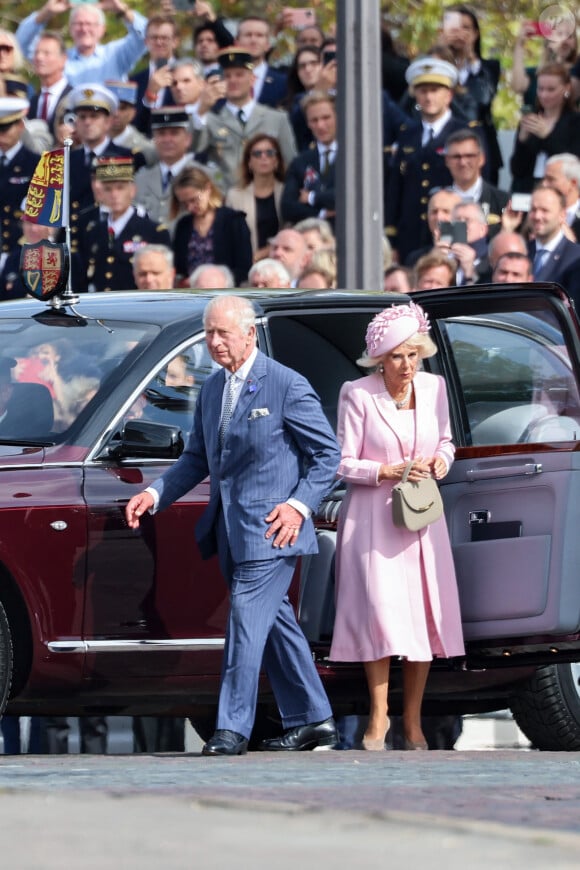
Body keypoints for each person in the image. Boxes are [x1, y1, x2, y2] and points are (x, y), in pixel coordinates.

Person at [125, 295, 341, 755]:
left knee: (244, 622)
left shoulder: (286, 384)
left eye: (224, 332)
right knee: (275, 624)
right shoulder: (211, 390)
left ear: (251, 334)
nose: (215, 342)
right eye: (209, 333)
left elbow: (328, 456)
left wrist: (299, 506)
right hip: (228, 530)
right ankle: (315, 719)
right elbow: (198, 458)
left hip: (271, 531)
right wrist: (156, 493)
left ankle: (231, 729)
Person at [329, 302, 464, 751]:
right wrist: (385, 471)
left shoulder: (435, 387)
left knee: (422, 617)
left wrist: (439, 463)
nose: (407, 365)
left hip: (422, 515)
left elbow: (446, 441)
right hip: (374, 518)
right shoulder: (358, 393)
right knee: (381, 616)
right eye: (396, 356)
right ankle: (379, 715)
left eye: (413, 354)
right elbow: (343, 463)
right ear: (379, 360)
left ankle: (413, 720)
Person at [384, 57, 468, 262]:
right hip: (410, 230)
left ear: (448, 95)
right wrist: (392, 238)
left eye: (435, 90)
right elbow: (396, 187)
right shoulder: (407, 133)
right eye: (423, 91)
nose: (428, 96)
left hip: (450, 224)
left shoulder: (464, 132)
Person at [192, 48, 296, 192]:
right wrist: (201, 110)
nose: (233, 80)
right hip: (226, 199)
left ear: (252, 79)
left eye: (239, 75)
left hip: (269, 199)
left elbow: (290, 162)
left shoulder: (277, 118)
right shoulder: (210, 119)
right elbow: (194, 149)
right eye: (227, 76)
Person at [77, 156, 170, 293]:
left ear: (132, 190)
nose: (114, 195)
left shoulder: (153, 231)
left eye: (120, 188)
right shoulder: (94, 231)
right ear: (101, 193)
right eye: (108, 189)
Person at [16, 0, 148, 86]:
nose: (84, 29)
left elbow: (147, 36)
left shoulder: (116, 54)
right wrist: (46, 13)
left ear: (102, 29)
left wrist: (123, 10)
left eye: (90, 24)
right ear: (70, 28)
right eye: (79, 24)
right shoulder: (59, 59)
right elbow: (21, 44)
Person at [170, 165, 253, 287]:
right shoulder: (183, 225)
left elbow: (244, 267)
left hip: (225, 291)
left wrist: (214, 281)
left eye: (194, 200)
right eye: (184, 203)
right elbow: (179, 267)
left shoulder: (233, 221)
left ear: (208, 188)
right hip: (191, 293)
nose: (190, 207)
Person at [510, 62, 580, 193]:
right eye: (540, 89)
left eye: (551, 89)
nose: (544, 95)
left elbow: (574, 163)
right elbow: (516, 170)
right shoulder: (531, 119)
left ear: (566, 88)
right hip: (529, 189)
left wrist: (547, 137)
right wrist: (522, 141)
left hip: (563, 190)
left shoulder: (575, 122)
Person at [225, 134, 285, 261]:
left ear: (277, 160)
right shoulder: (235, 196)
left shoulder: (287, 191)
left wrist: (265, 252)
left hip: (283, 262)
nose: (264, 157)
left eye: (270, 153)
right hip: (248, 266)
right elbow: (229, 237)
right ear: (249, 163)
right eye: (257, 154)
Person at [281, 91, 337, 228]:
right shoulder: (301, 162)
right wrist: (322, 213)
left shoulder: (354, 156)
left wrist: (312, 197)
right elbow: (287, 207)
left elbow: (348, 197)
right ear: (308, 123)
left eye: (326, 118)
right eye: (314, 120)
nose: (320, 126)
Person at [134, 107, 198, 226]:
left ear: (188, 139)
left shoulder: (203, 175)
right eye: (161, 133)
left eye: (174, 133)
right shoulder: (140, 179)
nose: (167, 140)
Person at [527, 185, 580, 304]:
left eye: (545, 210)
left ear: (562, 215)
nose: (537, 216)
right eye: (533, 209)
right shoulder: (522, 251)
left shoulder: (576, 257)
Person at [0, 97, 39, 260]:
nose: (1, 135)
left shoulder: (36, 164)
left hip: (21, 250)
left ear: (20, 126)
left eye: (5, 128)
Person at [130, 14, 178, 134]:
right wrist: (150, 96)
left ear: (175, 42)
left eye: (165, 37)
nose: (159, 42)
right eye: (154, 37)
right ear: (146, 42)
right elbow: (133, 125)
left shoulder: (187, 76)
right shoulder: (133, 81)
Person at [27, 31, 72, 140]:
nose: (39, 58)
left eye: (46, 53)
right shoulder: (32, 100)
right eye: (36, 53)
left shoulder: (73, 98)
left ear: (63, 59)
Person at [234, 15, 288, 108]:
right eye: (248, 35)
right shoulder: (222, 80)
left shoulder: (284, 83)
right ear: (237, 43)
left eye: (259, 35)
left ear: (267, 44)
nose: (253, 40)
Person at [542, 153, 580, 240]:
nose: (544, 184)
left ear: (572, 183)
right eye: (544, 179)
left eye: (551, 179)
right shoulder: (535, 214)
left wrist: (571, 246)